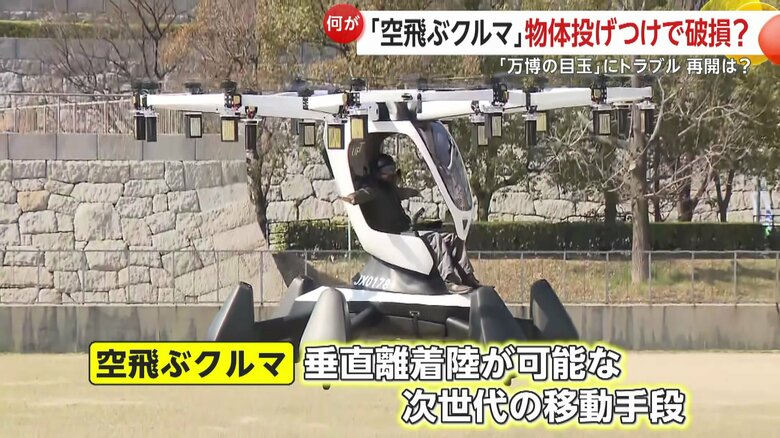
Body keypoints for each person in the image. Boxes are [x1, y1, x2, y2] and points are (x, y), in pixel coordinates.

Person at [339, 154, 481, 293]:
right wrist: (353, 198)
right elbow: (364, 194)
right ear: (379, 173)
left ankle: (468, 277)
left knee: (452, 238)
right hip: (395, 235)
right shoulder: (374, 189)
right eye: (388, 171)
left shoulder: (390, 189)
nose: (392, 174)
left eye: (392, 170)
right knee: (435, 239)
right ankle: (450, 280)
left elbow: (402, 192)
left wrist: (414, 192)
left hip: (405, 230)